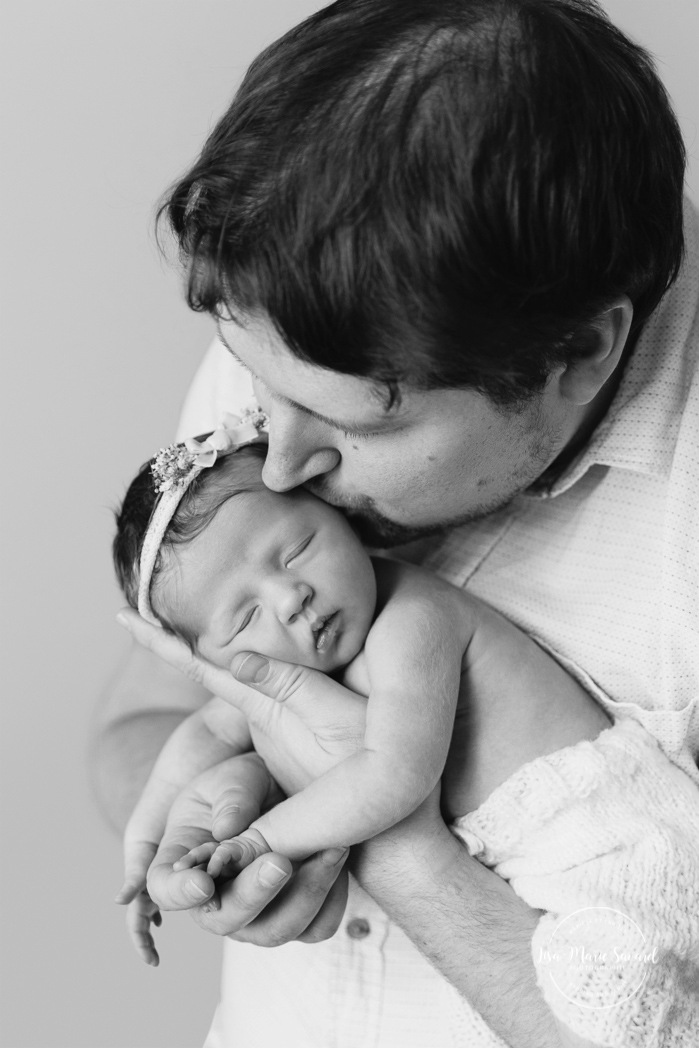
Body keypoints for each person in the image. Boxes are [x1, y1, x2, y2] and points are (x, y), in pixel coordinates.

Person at [92, 1, 699, 1045]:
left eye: (347, 422)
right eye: (253, 381)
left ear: (579, 354)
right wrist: (225, 826)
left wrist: (395, 850)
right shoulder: (303, 344)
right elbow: (139, 717)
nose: (277, 461)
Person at [111, 415, 614, 965]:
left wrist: (259, 840)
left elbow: (394, 774)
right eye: (245, 616)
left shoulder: (412, 617)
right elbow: (207, 728)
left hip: (598, 839)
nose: (290, 598)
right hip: (528, 890)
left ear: (340, 516)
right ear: (209, 659)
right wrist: (145, 849)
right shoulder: (274, 677)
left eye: (297, 549)